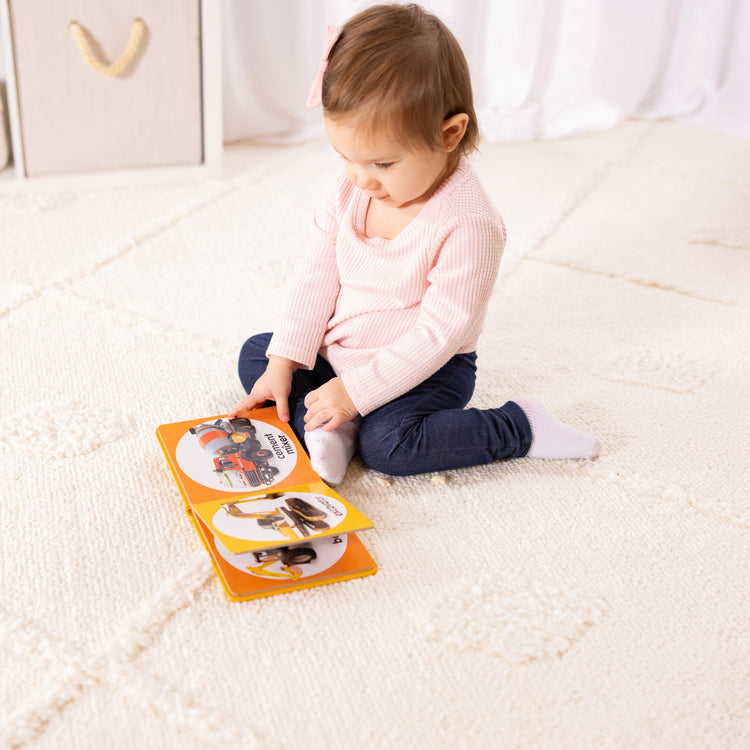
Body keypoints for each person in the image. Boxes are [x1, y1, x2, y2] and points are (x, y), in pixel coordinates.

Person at [229, 3, 601, 484]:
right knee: (260, 355)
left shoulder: (470, 223)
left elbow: (440, 334)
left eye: (383, 164)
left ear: (450, 134)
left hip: (426, 365)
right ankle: (333, 427)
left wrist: (357, 392)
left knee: (391, 445)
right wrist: (284, 363)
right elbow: (315, 276)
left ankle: (519, 426)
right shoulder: (347, 190)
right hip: (343, 348)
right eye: (345, 156)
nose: (362, 180)